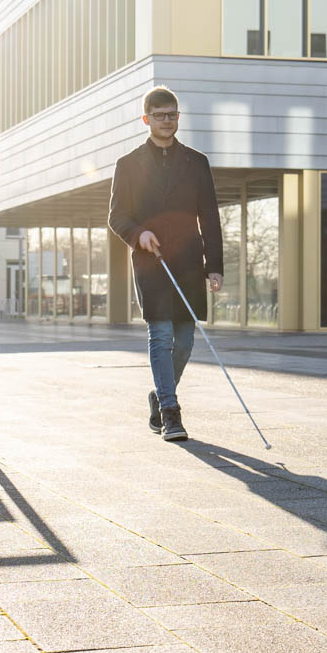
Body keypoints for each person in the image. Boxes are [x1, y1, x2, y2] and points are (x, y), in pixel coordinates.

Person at [108, 87, 224, 441]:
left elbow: (210, 216)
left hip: (189, 260)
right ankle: (171, 413)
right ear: (146, 119)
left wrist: (215, 265)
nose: (167, 121)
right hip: (150, 262)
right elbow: (117, 216)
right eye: (160, 115)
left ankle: (159, 395)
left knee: (185, 340)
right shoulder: (127, 165)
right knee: (161, 335)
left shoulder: (196, 162)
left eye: (172, 114)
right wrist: (138, 233)